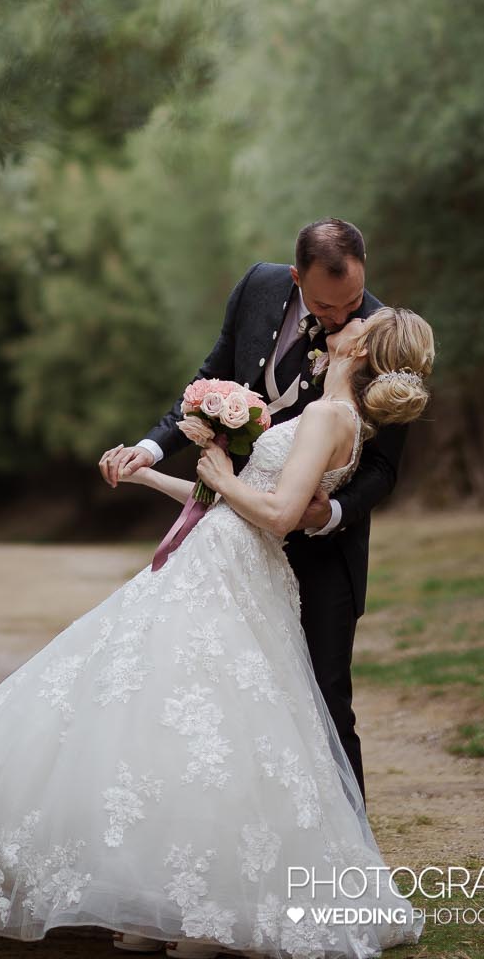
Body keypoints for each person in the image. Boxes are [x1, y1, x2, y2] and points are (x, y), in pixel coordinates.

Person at [0, 284, 435, 959]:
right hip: (215, 560)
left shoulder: (332, 416)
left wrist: (220, 465)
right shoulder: (327, 412)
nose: (342, 323)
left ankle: (205, 911)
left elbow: (275, 516)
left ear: (358, 346)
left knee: (201, 721)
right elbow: (232, 503)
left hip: (236, 572)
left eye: (355, 323)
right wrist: (153, 478)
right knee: (166, 716)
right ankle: (162, 900)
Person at [102, 221, 407, 800]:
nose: (342, 318)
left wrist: (330, 513)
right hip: (236, 539)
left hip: (323, 550)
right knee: (227, 699)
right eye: (325, 304)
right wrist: (147, 452)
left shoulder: (379, 334)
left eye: (352, 302)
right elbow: (209, 379)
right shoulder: (258, 287)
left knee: (323, 700)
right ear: (296, 278)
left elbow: (385, 469)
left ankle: (349, 850)